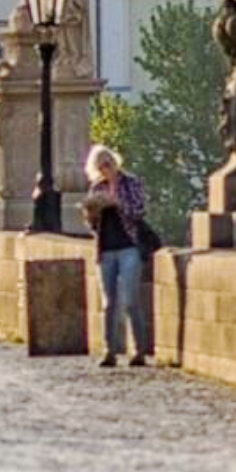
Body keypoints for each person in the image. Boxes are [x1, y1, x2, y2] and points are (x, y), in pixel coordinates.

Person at [83, 145, 152, 367]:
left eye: (108, 163)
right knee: (109, 303)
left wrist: (117, 204)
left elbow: (139, 210)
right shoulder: (96, 187)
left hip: (129, 247)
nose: (105, 168)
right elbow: (92, 226)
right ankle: (109, 351)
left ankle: (139, 351)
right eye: (100, 165)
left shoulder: (130, 182)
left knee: (131, 301)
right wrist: (92, 213)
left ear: (115, 162)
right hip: (106, 251)